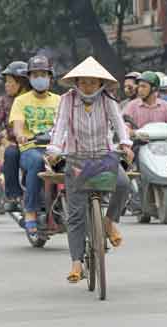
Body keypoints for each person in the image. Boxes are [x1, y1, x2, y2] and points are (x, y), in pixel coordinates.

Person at [46, 56, 133, 283]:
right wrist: (54, 149)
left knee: (124, 185)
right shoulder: (67, 100)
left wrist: (125, 144)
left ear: (100, 83)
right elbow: (60, 127)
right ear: (76, 82)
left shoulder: (108, 100)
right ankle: (76, 263)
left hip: (104, 156)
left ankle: (108, 221)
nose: (88, 87)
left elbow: (119, 125)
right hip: (76, 158)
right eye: (83, 82)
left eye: (92, 82)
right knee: (75, 215)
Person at [9, 55, 61, 235]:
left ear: (50, 77)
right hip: (31, 148)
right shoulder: (21, 101)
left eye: (43, 74)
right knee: (38, 162)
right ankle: (30, 211)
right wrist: (21, 135)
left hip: (57, 148)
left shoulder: (60, 100)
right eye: (35, 74)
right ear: (29, 78)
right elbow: (17, 126)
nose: (40, 78)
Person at [0, 61, 30, 212]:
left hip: (39, 143)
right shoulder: (4, 100)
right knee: (11, 154)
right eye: (6, 82)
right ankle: (13, 195)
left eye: (10, 82)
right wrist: (3, 141)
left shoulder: (36, 97)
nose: (6, 85)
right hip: (15, 144)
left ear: (22, 82)